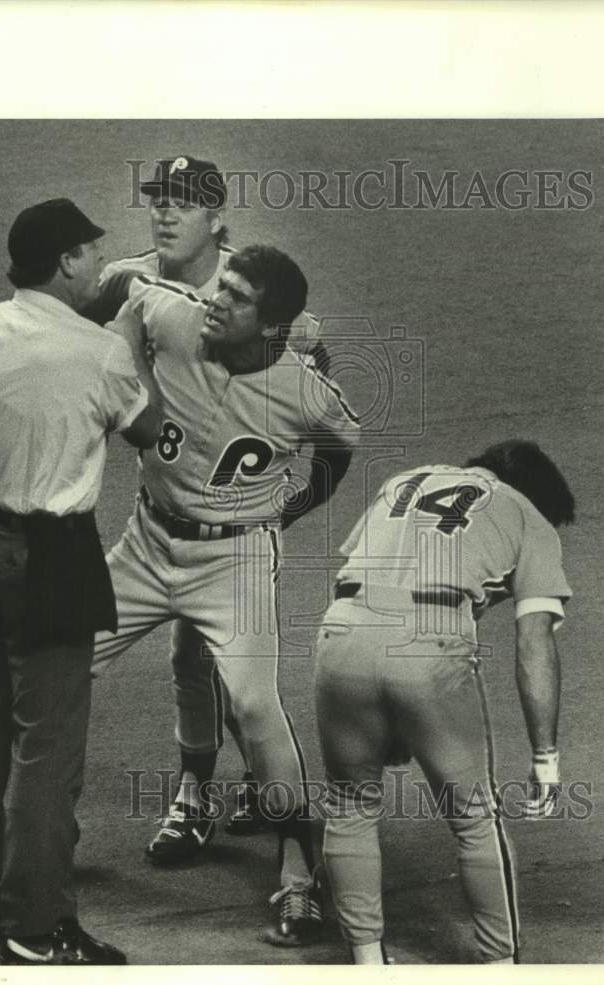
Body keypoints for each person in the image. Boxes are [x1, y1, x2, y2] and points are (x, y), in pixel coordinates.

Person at [91, 244, 360, 945]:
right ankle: (176, 801)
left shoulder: (306, 391)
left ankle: (300, 876)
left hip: (237, 556)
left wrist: (290, 510)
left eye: (236, 298)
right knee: (62, 659)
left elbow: (338, 449)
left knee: (252, 701)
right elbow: (118, 286)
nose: (217, 299)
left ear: (271, 327)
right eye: (222, 287)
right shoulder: (171, 311)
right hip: (146, 543)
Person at [0, 198, 161, 965]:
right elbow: (155, 434)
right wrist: (127, 335)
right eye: (93, 254)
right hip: (52, 559)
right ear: (65, 264)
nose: (101, 264)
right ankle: (35, 926)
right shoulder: (98, 352)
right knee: (47, 751)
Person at [86, 155, 328, 846]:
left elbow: (309, 397)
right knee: (183, 661)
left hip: (233, 539)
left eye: (184, 202)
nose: (165, 211)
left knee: (235, 686)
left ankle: (286, 843)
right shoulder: (129, 280)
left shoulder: (270, 311)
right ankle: (196, 789)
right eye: (158, 198)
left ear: (217, 218)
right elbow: (75, 319)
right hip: (153, 531)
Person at [314, 441, 575, 964]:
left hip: (339, 635)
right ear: (534, 494)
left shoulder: (402, 482)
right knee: (476, 817)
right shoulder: (525, 513)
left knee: (349, 805)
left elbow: (371, 576)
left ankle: (368, 968)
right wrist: (545, 758)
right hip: (430, 646)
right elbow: (534, 642)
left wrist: (384, 711)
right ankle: (501, 969)